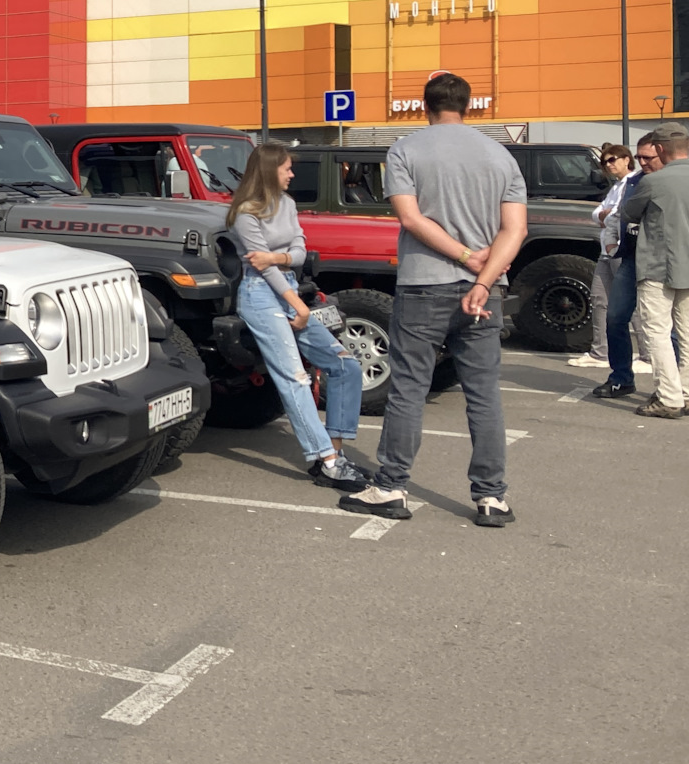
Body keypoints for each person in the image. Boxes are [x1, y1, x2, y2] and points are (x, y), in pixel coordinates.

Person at [341, 72, 528, 529]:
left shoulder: (405, 149)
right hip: (483, 292)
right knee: (483, 394)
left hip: (424, 284)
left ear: (425, 105)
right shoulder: (501, 155)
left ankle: (390, 486)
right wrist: (482, 278)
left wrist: (464, 255)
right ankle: (491, 497)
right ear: (469, 106)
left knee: (409, 388)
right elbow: (516, 229)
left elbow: (410, 217)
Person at [226, 142, 371, 490]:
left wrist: (277, 258)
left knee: (344, 364)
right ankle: (327, 461)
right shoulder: (245, 213)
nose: (292, 174)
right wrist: (299, 302)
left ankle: (333, 453)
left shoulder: (287, 204)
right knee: (294, 377)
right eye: (287, 168)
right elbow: (260, 269)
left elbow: (299, 252)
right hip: (260, 295)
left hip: (287, 287)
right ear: (268, 171)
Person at [619, 124, 689, 418]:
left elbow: (629, 211)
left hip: (659, 264)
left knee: (657, 332)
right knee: (687, 333)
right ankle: (685, 390)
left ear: (659, 149)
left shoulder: (655, 181)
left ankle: (669, 397)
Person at [594, 134, 668, 401]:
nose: (643, 162)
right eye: (639, 157)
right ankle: (621, 378)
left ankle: (671, 387)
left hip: (663, 261)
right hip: (631, 258)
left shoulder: (671, 180)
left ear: (664, 153)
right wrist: (612, 244)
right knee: (615, 318)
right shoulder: (632, 182)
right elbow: (615, 215)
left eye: (648, 157)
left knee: (662, 326)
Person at [571, 144, 645, 372]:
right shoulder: (615, 187)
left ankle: (647, 354)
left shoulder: (635, 182)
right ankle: (600, 352)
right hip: (606, 250)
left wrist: (607, 214)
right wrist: (606, 214)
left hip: (621, 249)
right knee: (599, 299)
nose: (608, 165)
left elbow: (620, 213)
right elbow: (598, 213)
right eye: (605, 162)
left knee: (628, 303)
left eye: (612, 160)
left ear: (626, 159)